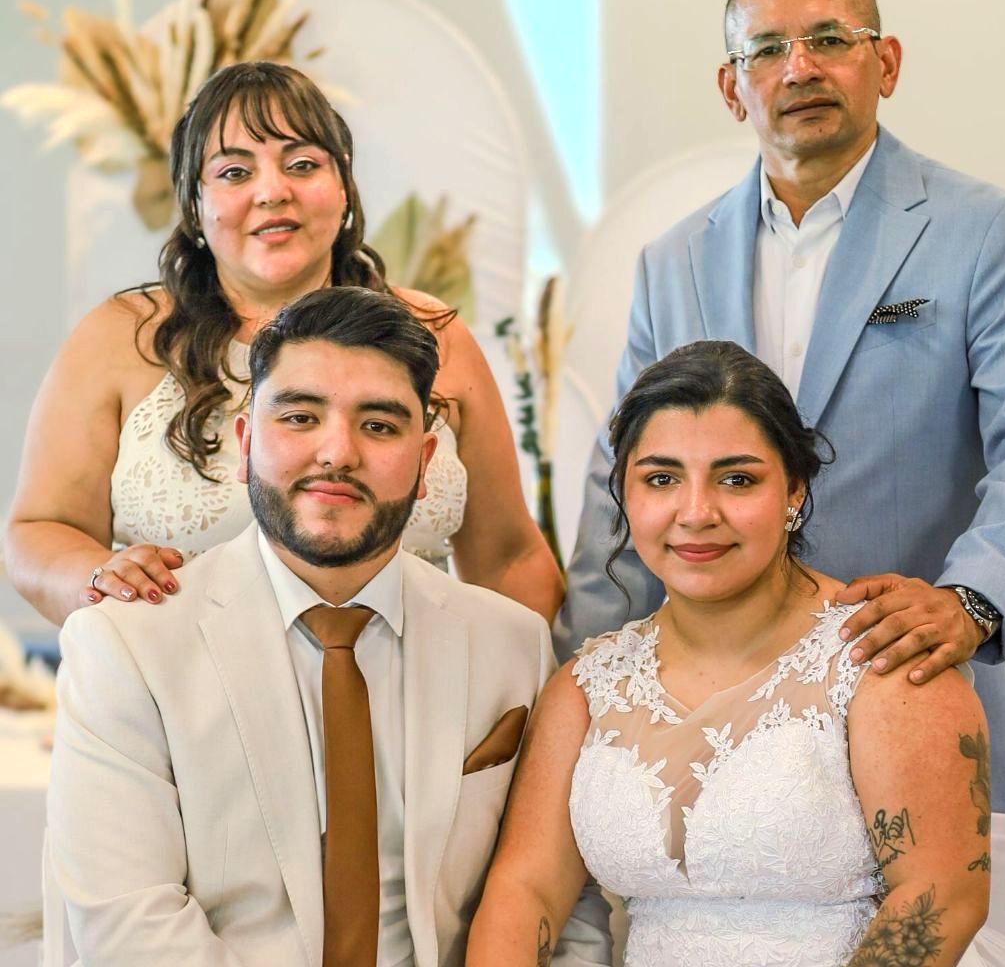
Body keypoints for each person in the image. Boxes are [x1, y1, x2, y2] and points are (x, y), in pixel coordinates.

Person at [556, 0, 1005, 816]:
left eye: (831, 39)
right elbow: (623, 482)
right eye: (767, 49)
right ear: (732, 86)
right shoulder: (672, 262)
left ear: (886, 63)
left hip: (942, 695)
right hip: (735, 745)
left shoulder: (989, 232)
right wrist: (579, 675)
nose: (799, 68)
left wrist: (972, 602)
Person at [45, 287, 611, 966]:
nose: (337, 452)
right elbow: (130, 928)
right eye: (300, 417)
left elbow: (566, 908)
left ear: (426, 461)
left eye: (379, 426)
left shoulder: (511, 644)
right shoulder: (127, 645)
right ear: (246, 442)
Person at [469, 340, 1005, 967]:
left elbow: (939, 897)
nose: (696, 513)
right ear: (624, 494)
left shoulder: (883, 655)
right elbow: (526, 889)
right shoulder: (586, 686)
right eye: (661, 479)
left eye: (736, 479)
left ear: (793, 490)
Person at [5, 61, 563, 627]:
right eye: (234, 172)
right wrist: (101, 581)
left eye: (302, 165)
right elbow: (39, 531)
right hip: (177, 672)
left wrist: (539, 678)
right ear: (194, 203)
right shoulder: (123, 336)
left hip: (414, 674)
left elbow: (510, 559)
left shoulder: (435, 335)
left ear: (343, 187)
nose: (273, 192)